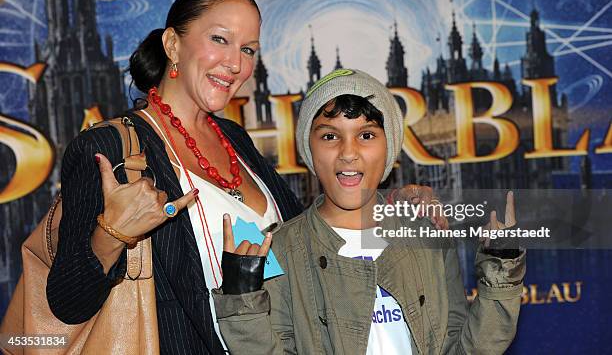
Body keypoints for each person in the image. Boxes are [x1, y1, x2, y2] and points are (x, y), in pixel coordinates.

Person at [46, 0, 304, 354]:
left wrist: (390, 206)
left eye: (248, 49)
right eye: (219, 39)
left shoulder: (235, 138)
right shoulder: (109, 147)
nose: (236, 64)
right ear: (172, 45)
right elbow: (68, 302)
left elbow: (304, 241)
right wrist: (113, 233)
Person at [213, 69, 526, 354]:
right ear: (309, 149)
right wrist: (242, 303)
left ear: (389, 146)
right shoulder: (280, 249)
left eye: (366, 135)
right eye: (330, 136)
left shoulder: (426, 236)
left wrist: (502, 271)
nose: (348, 153)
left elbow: (463, 348)